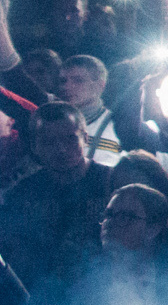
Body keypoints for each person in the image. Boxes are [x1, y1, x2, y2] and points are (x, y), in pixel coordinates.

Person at [0, 102, 118, 295]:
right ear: (35, 146)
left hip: (105, 291)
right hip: (42, 299)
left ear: (85, 138)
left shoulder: (112, 183)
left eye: (70, 139)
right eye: (49, 142)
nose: (61, 149)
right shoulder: (23, 194)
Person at [58, 55, 121, 167]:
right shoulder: (50, 125)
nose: (66, 87)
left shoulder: (118, 126)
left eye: (78, 81)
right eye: (63, 81)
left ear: (100, 85)